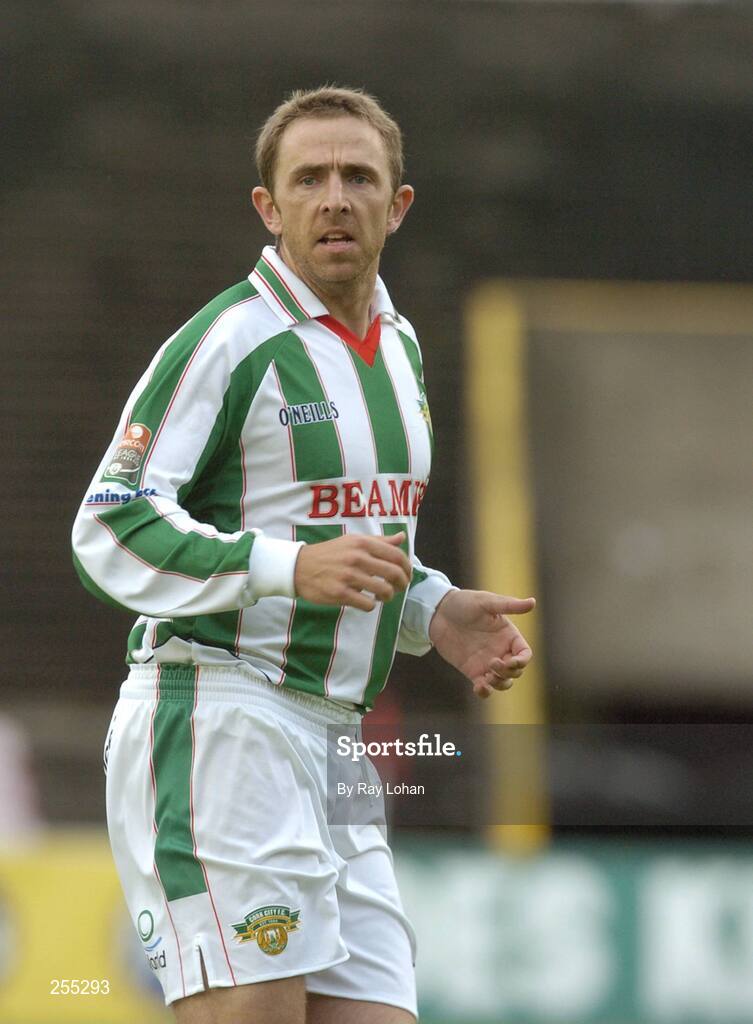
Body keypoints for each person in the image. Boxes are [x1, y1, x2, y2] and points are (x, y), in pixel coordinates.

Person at [71, 86, 535, 1024]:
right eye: (308, 179)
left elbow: (362, 544)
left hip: (337, 745)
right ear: (267, 207)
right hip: (220, 719)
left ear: (397, 205)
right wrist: (285, 567)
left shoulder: (398, 352)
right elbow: (108, 524)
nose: (334, 197)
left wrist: (430, 610)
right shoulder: (227, 343)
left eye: (358, 177)